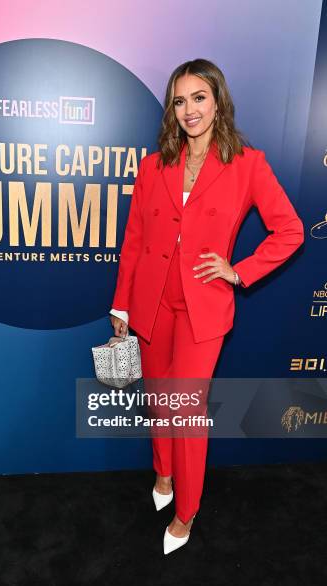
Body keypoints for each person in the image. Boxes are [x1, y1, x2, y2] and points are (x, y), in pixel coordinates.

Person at [108, 58, 304, 555]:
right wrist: (122, 306)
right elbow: (133, 242)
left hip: (203, 310)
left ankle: (186, 510)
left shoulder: (247, 164)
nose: (189, 110)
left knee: (186, 410)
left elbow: (291, 230)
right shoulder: (154, 166)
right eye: (180, 100)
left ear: (218, 100)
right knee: (159, 399)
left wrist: (239, 271)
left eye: (199, 97)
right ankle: (164, 474)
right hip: (151, 306)